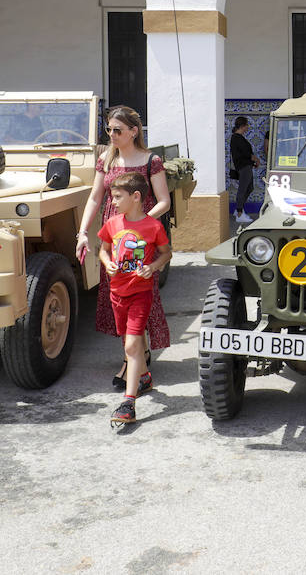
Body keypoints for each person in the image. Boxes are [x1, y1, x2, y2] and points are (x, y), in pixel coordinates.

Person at [76, 105, 171, 388]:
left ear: (134, 131)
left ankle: (132, 361)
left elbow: (163, 200)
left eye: (118, 130)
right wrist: (82, 233)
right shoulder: (106, 159)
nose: (112, 134)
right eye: (108, 129)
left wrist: (138, 224)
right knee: (118, 296)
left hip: (142, 241)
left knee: (140, 294)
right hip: (112, 238)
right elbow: (95, 197)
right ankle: (135, 355)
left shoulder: (150, 160)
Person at [97, 172, 172, 424]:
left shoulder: (153, 226)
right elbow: (104, 250)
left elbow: (166, 253)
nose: (113, 202)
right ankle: (145, 377)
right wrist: (107, 263)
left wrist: (153, 267)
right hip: (117, 294)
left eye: (118, 197)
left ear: (136, 197)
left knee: (131, 346)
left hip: (141, 293)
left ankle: (129, 403)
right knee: (131, 341)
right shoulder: (112, 224)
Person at [229, 116, 256, 224]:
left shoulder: (239, 137)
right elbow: (245, 153)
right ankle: (240, 214)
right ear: (242, 126)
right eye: (247, 125)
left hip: (247, 166)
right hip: (243, 167)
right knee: (243, 189)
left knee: (249, 188)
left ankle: (238, 209)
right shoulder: (236, 138)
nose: (248, 127)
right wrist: (254, 159)